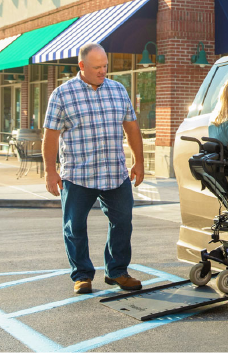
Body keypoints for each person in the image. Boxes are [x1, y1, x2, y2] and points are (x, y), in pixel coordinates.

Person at [42, 43, 145, 295]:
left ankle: (117, 271)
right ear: (82, 66)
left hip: (115, 172)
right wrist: (49, 171)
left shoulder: (119, 90)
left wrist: (139, 161)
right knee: (74, 226)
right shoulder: (62, 94)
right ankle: (82, 275)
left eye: (105, 66)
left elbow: (131, 128)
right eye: (96, 67)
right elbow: (51, 136)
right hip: (78, 174)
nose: (102, 71)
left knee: (122, 222)